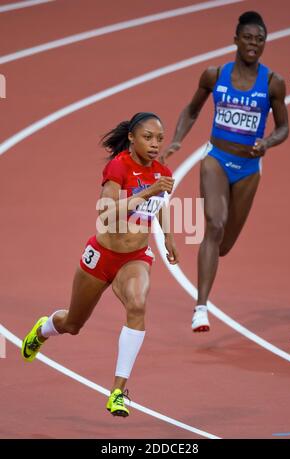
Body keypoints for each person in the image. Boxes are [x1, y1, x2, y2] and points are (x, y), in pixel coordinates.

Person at [21, 112, 179, 417]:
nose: (155, 144)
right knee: (73, 325)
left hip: (135, 257)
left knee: (137, 304)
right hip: (101, 256)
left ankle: (118, 391)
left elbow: (158, 206)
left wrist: (168, 236)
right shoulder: (118, 166)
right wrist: (148, 191)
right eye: (148, 137)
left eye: (160, 138)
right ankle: (43, 330)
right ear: (132, 138)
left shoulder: (162, 171)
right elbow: (107, 214)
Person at [160, 11, 289, 333]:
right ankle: (200, 308)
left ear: (264, 45)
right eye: (248, 38)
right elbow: (192, 110)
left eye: (260, 40)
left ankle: (208, 272)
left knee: (224, 245)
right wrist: (177, 140)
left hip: (248, 167)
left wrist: (269, 142)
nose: (253, 44)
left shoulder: (273, 83)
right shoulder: (214, 75)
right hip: (216, 158)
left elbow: (284, 126)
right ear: (235, 40)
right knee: (213, 225)